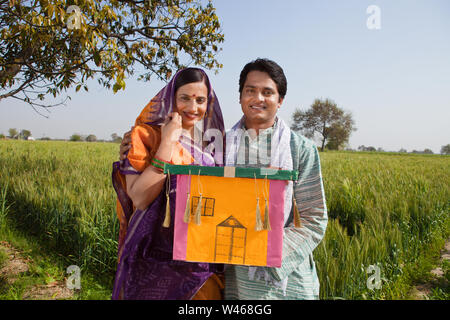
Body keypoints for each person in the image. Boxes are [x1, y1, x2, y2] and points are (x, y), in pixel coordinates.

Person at [120, 58, 328, 300]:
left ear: (280, 100)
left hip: (286, 280)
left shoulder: (300, 149)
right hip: (235, 279)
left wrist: (267, 251)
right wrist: (137, 143)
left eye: (267, 92)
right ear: (239, 97)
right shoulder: (219, 145)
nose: (258, 98)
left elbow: (314, 219)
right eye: (250, 91)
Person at [112, 67, 225, 300]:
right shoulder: (144, 136)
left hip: (198, 266)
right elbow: (140, 198)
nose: (193, 108)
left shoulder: (209, 150)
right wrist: (168, 141)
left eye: (200, 100)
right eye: (185, 98)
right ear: (171, 98)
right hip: (152, 262)